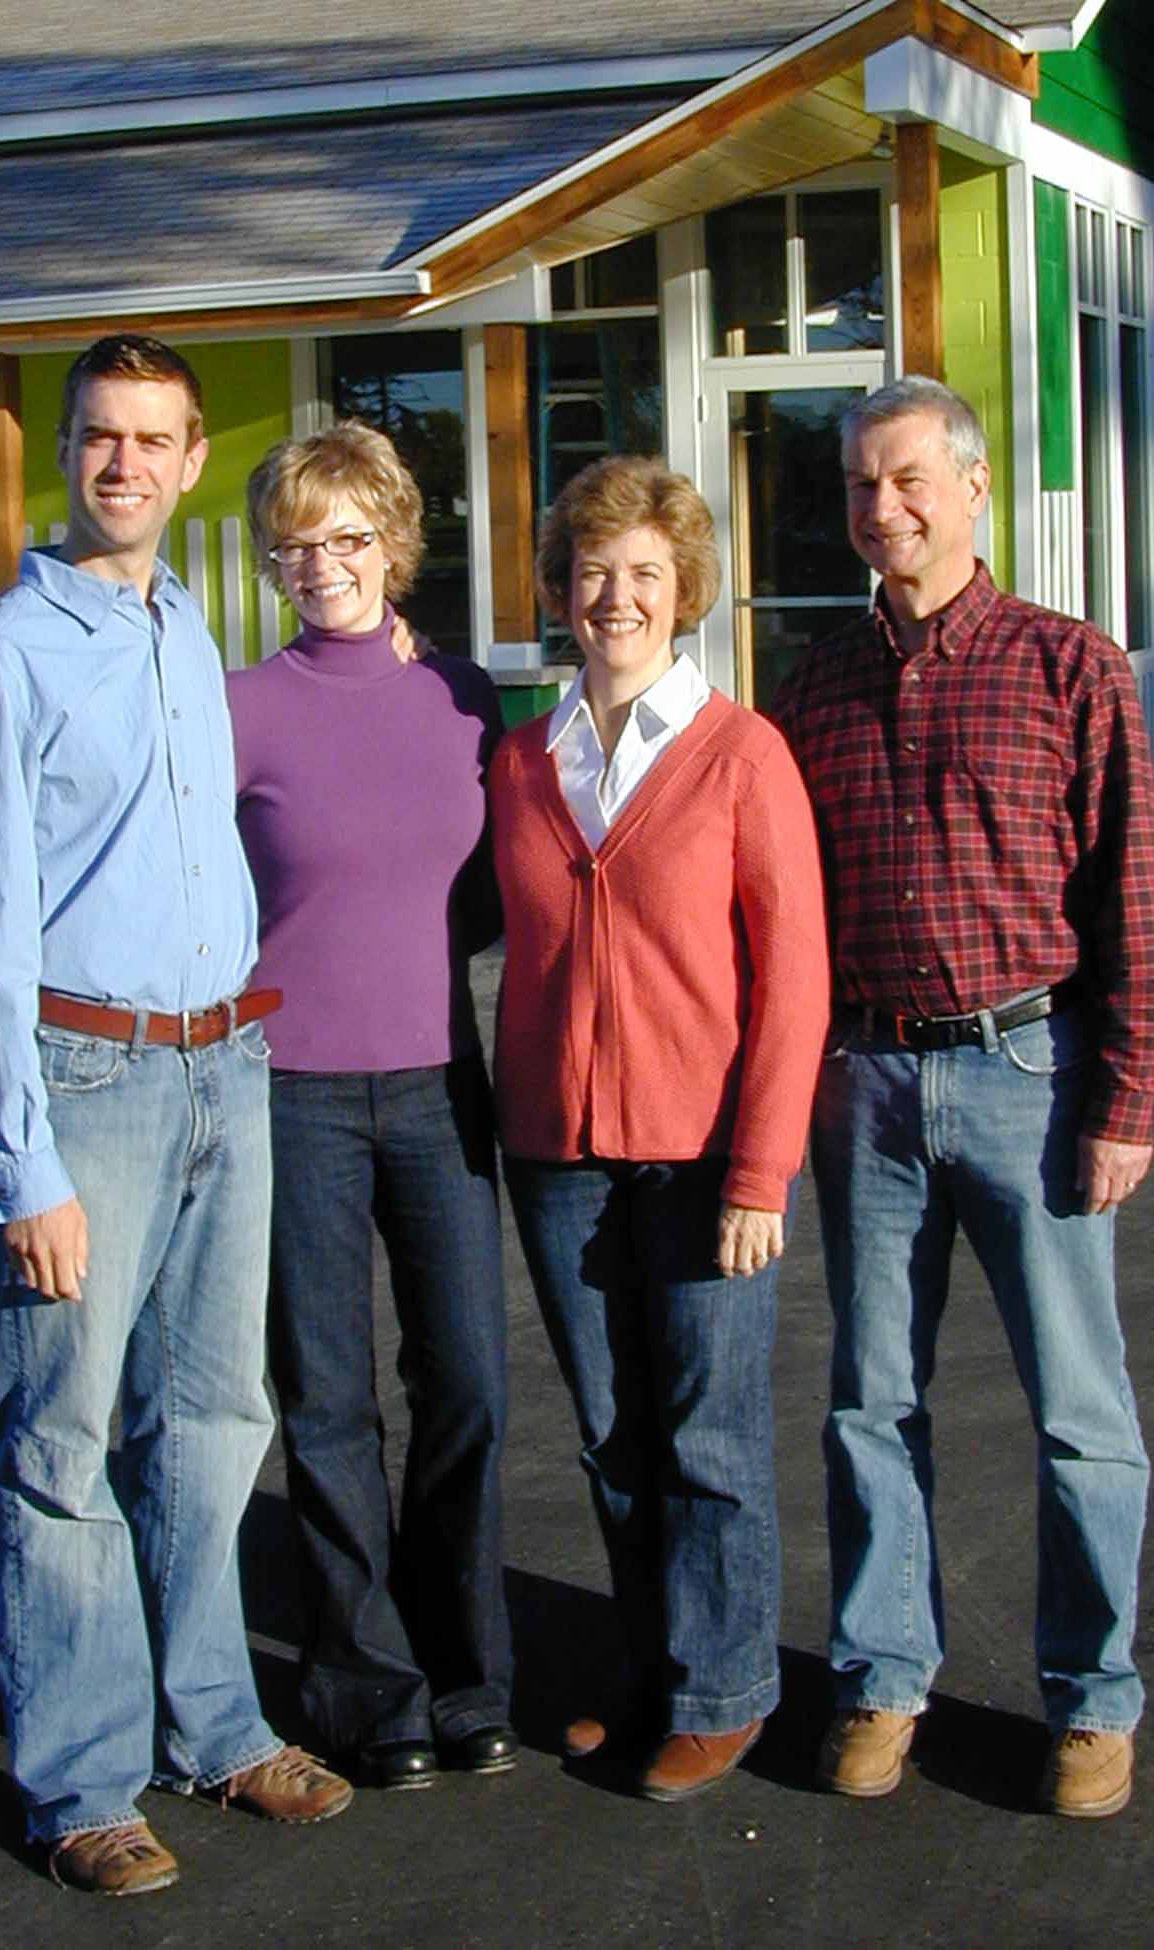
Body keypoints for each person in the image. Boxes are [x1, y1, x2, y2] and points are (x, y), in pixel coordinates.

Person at [0, 334, 352, 1899]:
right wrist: (20, 1162)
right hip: (87, 1081)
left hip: (222, 1068)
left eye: (153, 439)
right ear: (65, 450)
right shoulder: (1, 662)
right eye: (101, 435)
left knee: (217, 1417)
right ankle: (83, 1783)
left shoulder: (183, 628)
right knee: (62, 1443)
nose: (125, 464)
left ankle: (214, 1722)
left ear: (189, 461)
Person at [770, 376, 1154, 1820]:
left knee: (1079, 1410)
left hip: (1028, 1074)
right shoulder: (813, 686)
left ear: (972, 486)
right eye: (859, 485)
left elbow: (1131, 894)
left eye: (907, 480)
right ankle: (883, 1676)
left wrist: (1126, 1097)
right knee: (870, 1402)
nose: (881, 507)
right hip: (867, 1084)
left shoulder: (1069, 666)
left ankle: (1092, 1699)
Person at [489, 455, 829, 1804]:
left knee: (709, 1436)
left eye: (643, 572)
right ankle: (656, 1670)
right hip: (557, 1157)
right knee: (612, 1435)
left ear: (684, 589)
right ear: (559, 588)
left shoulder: (742, 754)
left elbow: (794, 977)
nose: (615, 596)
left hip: (702, 1160)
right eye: (592, 571)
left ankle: (724, 1692)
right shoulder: (523, 760)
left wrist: (762, 1171)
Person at [228, 421, 515, 1791]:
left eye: (348, 536)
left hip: (439, 1081)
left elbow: (491, 897)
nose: (322, 563)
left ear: (394, 543)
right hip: (292, 1093)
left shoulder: (462, 697)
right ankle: (364, 1683)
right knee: (329, 1398)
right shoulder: (240, 705)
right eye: (295, 543)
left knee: (466, 1380)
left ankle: (467, 1672)